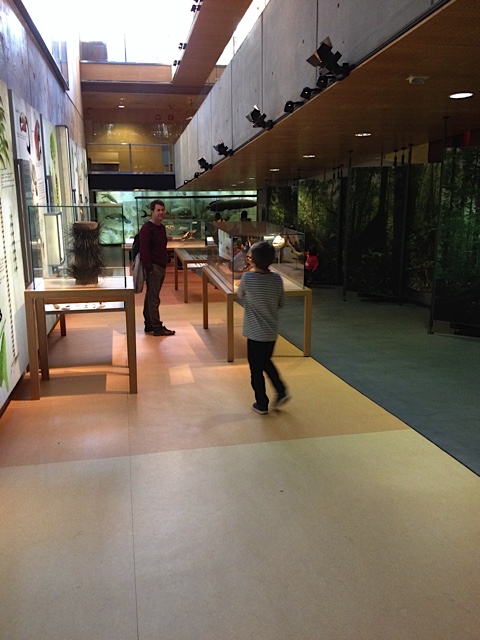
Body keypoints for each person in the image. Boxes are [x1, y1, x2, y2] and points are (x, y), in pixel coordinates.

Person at [237, 241, 290, 415]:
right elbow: (281, 303)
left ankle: (262, 403)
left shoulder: (248, 278)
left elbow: (240, 294)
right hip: (271, 332)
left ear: (252, 260)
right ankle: (281, 390)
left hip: (254, 333)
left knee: (256, 369)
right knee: (266, 361)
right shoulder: (277, 279)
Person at [140, 199, 175, 336]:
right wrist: (149, 268)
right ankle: (156, 326)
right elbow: (144, 250)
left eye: (162, 210)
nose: (161, 213)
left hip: (160, 266)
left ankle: (149, 323)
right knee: (154, 297)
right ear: (152, 212)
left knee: (151, 295)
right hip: (153, 267)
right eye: (158, 210)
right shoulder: (146, 229)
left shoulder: (161, 228)